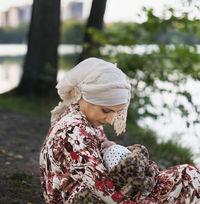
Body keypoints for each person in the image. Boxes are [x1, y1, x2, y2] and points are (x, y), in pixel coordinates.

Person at [40, 57, 200, 204]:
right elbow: (106, 190)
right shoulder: (73, 131)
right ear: (87, 98)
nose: (110, 120)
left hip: (102, 193)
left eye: (116, 113)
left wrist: (115, 151)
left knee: (188, 174)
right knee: (188, 179)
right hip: (90, 198)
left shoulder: (85, 120)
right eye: (106, 111)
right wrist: (145, 173)